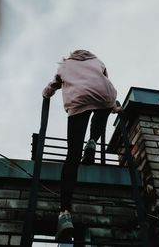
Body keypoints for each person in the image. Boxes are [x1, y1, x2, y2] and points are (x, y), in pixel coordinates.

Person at [42, 50, 120, 241]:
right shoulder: (98, 61)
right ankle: (93, 141)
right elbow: (104, 80)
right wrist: (115, 107)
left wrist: (47, 93)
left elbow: (53, 85)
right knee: (102, 106)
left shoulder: (65, 65)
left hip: (79, 99)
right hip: (105, 96)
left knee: (73, 156)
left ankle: (65, 213)